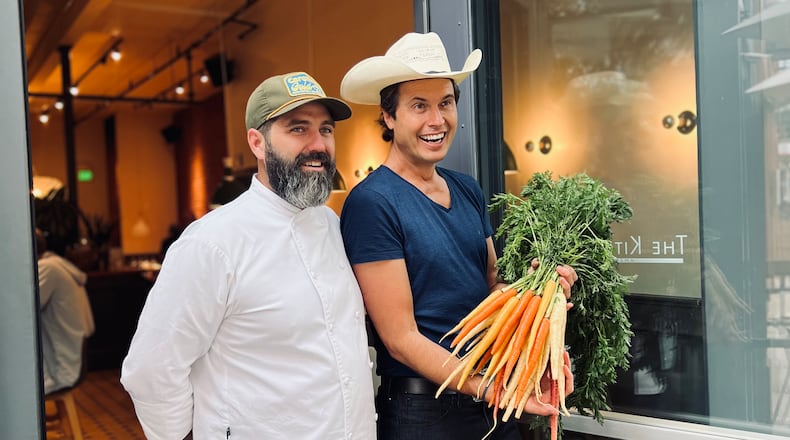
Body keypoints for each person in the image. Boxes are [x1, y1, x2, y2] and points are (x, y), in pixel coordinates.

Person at [339, 32, 578, 439]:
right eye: (419, 106)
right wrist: (491, 389)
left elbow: (491, 286)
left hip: (488, 398)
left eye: (445, 103)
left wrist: (539, 296)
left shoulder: (466, 187)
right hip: (424, 413)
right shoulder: (372, 202)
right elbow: (401, 339)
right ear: (389, 116)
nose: (437, 120)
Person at [120, 72, 377, 440]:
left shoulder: (332, 224)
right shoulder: (212, 243)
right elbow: (151, 369)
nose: (318, 144)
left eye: (326, 130)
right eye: (298, 129)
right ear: (257, 143)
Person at [37, 229, 95, 395]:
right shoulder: (56, 263)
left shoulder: (47, 268)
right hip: (73, 356)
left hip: (62, 368)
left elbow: (25, 309)